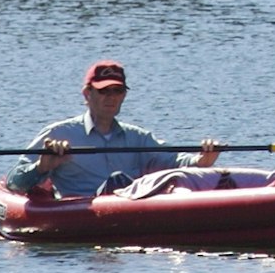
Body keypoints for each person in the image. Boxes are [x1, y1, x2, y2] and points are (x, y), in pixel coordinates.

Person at [21, 59, 220, 198]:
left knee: (123, 182)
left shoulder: (138, 138)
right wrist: (42, 166)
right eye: (103, 91)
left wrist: (201, 160)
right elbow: (15, 181)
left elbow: (173, 160)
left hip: (130, 211)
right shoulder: (58, 134)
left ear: (124, 95)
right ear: (87, 94)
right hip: (81, 216)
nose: (111, 96)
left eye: (117, 90)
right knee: (117, 181)